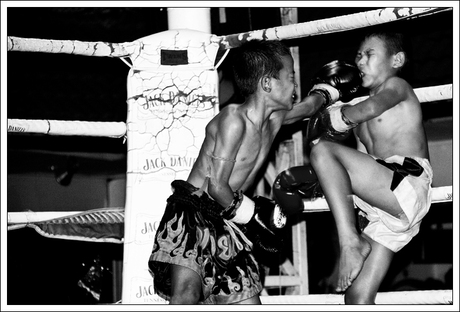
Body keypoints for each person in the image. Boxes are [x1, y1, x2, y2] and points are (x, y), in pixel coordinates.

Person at [147, 39, 362, 304]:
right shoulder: (233, 120)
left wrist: (329, 90)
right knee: (186, 296)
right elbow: (216, 186)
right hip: (196, 213)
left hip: (229, 220)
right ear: (267, 84)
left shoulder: (276, 119)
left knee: (248, 301)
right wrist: (255, 216)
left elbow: (308, 107)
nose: (295, 85)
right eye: (291, 77)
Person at [306, 31, 433, 304]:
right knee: (356, 298)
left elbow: (371, 107)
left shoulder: (398, 87)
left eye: (369, 54)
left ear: (397, 59)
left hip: (407, 181)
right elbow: (363, 167)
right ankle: (355, 239)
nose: (360, 61)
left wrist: (333, 117)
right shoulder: (359, 116)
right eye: (358, 55)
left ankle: (349, 241)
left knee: (323, 150)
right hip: (386, 203)